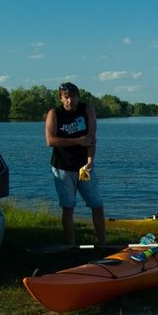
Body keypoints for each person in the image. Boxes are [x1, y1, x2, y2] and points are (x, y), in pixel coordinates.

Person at [45, 82, 106, 246]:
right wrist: (78, 140)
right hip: (63, 167)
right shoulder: (54, 113)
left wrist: (90, 161)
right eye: (66, 98)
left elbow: (91, 138)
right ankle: (71, 245)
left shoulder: (87, 109)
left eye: (72, 97)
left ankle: (103, 244)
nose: (69, 101)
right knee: (68, 207)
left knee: (97, 205)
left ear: (78, 97)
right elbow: (50, 141)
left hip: (84, 167)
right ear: (61, 98)